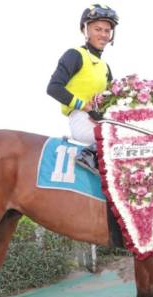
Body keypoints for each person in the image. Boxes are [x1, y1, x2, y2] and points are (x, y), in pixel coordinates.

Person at [46, 4, 119, 172]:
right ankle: (86, 156)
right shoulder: (75, 54)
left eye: (107, 31)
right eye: (98, 29)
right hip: (80, 119)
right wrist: (85, 107)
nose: (103, 35)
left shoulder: (105, 67)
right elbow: (53, 88)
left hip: (100, 120)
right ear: (85, 30)